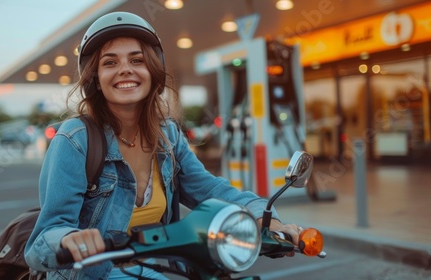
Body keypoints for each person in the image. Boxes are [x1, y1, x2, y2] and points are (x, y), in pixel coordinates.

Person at [25, 11, 303, 280]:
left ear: (152, 70)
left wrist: (267, 220)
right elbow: (45, 237)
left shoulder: (167, 135)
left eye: (137, 60)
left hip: (150, 271)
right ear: (95, 77)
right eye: (110, 63)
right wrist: (69, 239)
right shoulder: (75, 138)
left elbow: (209, 189)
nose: (125, 70)